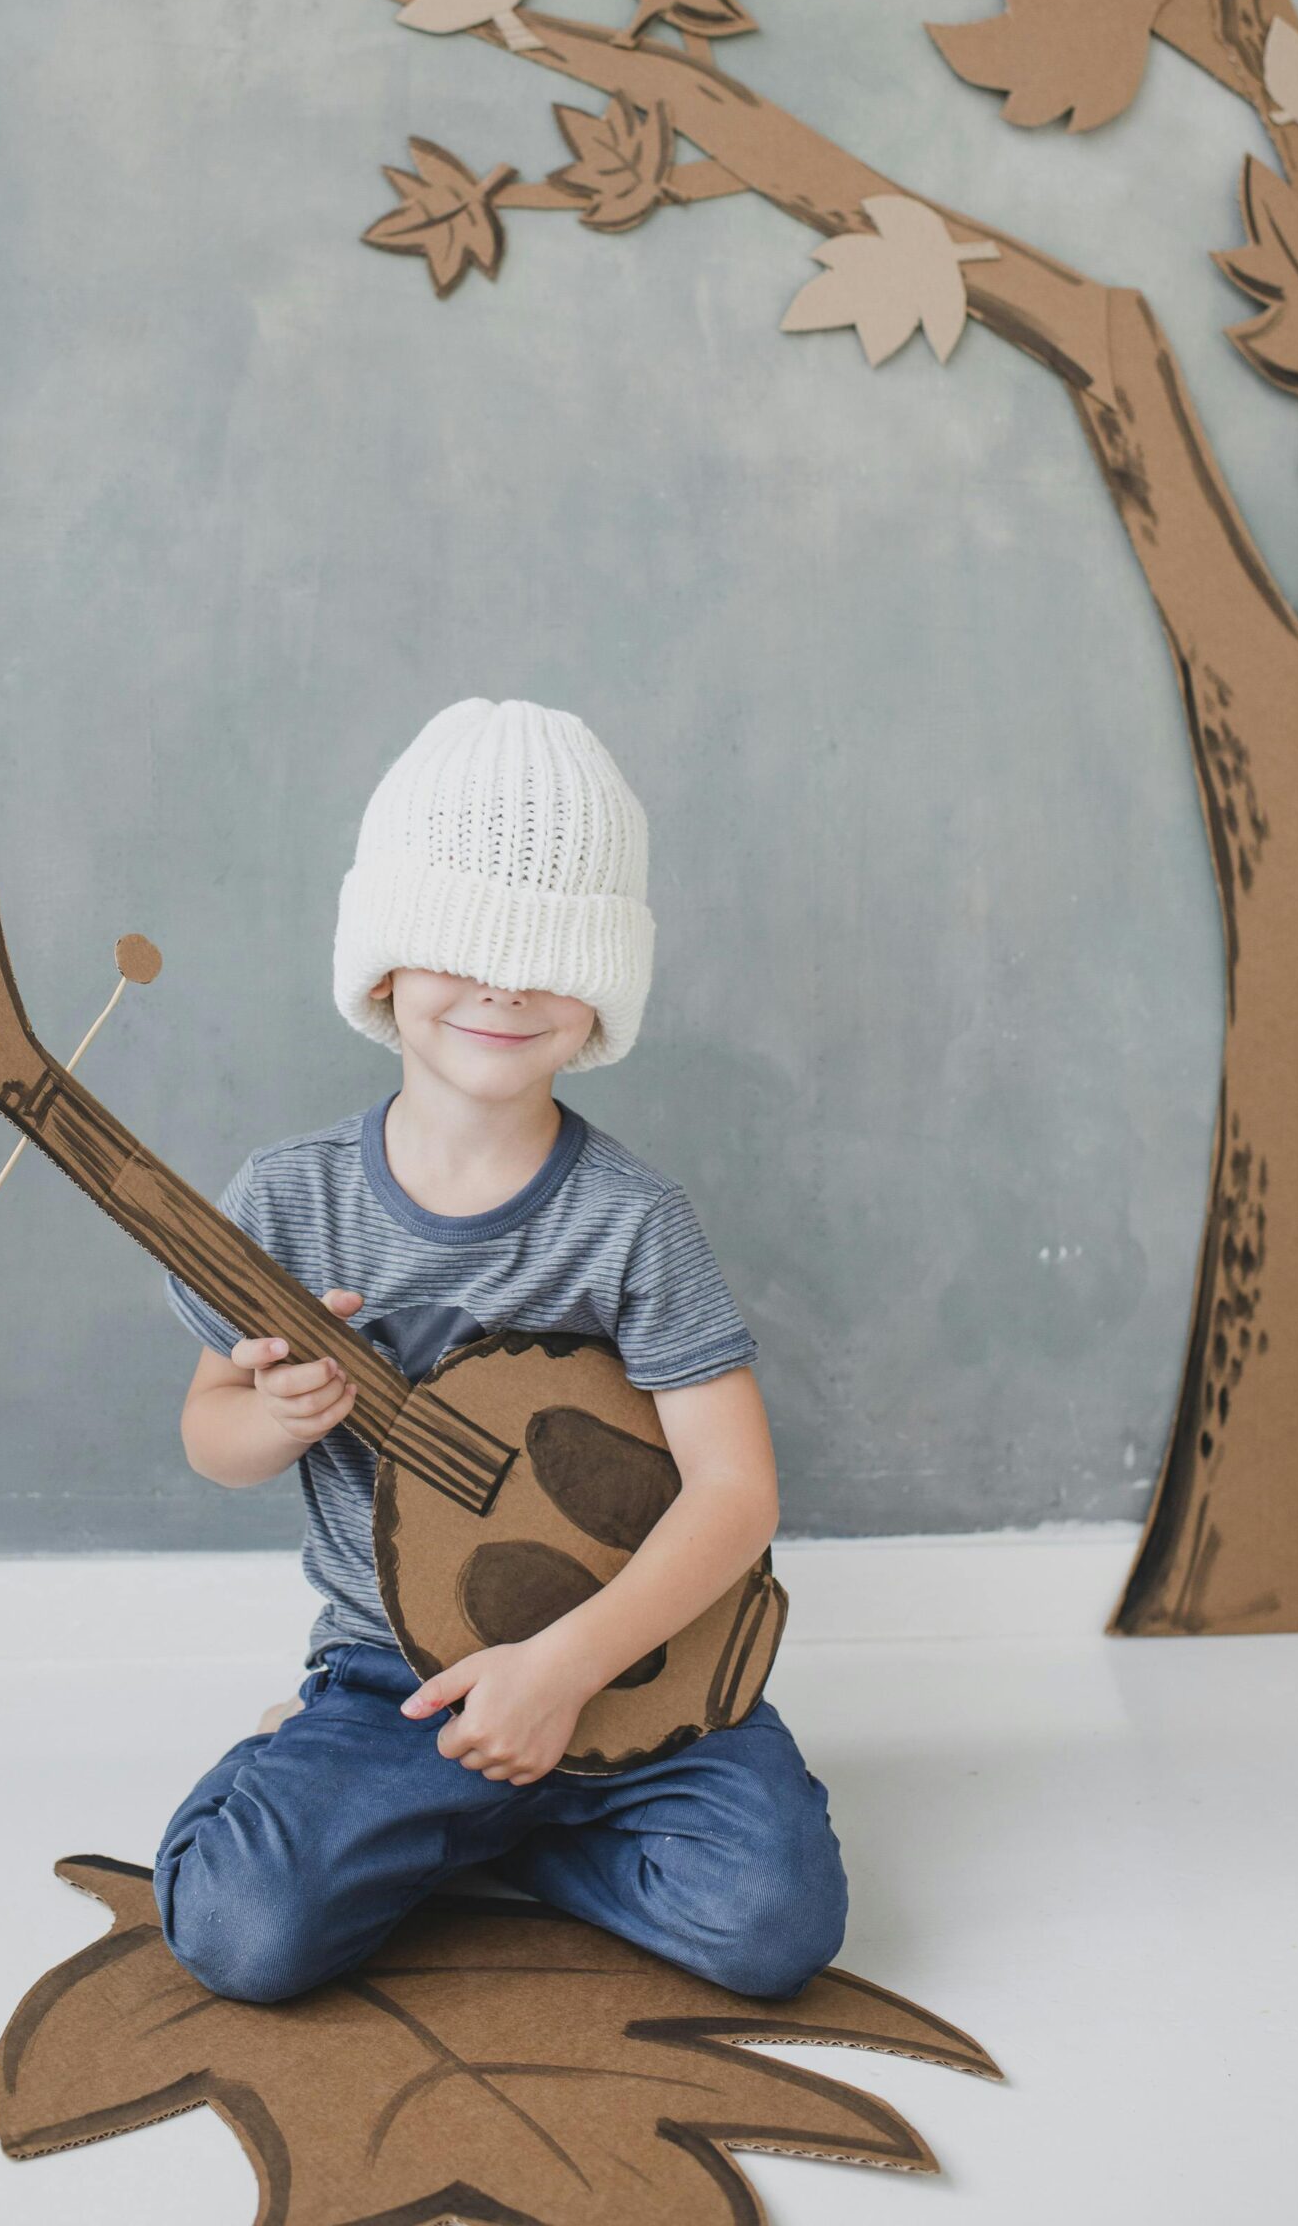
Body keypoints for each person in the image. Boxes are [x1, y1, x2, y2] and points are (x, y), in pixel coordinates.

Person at [152, 696, 847, 2003]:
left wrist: (561, 1673)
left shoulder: (631, 1223)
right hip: (392, 1677)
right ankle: (368, 1786)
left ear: (602, 995)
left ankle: (499, 1835)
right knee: (240, 1929)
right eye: (458, 944)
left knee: (773, 1922)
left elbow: (735, 1492)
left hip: (633, 1670)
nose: (503, 984)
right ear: (381, 971)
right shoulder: (287, 1204)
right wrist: (277, 1417)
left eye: (546, 954)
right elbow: (210, 1432)